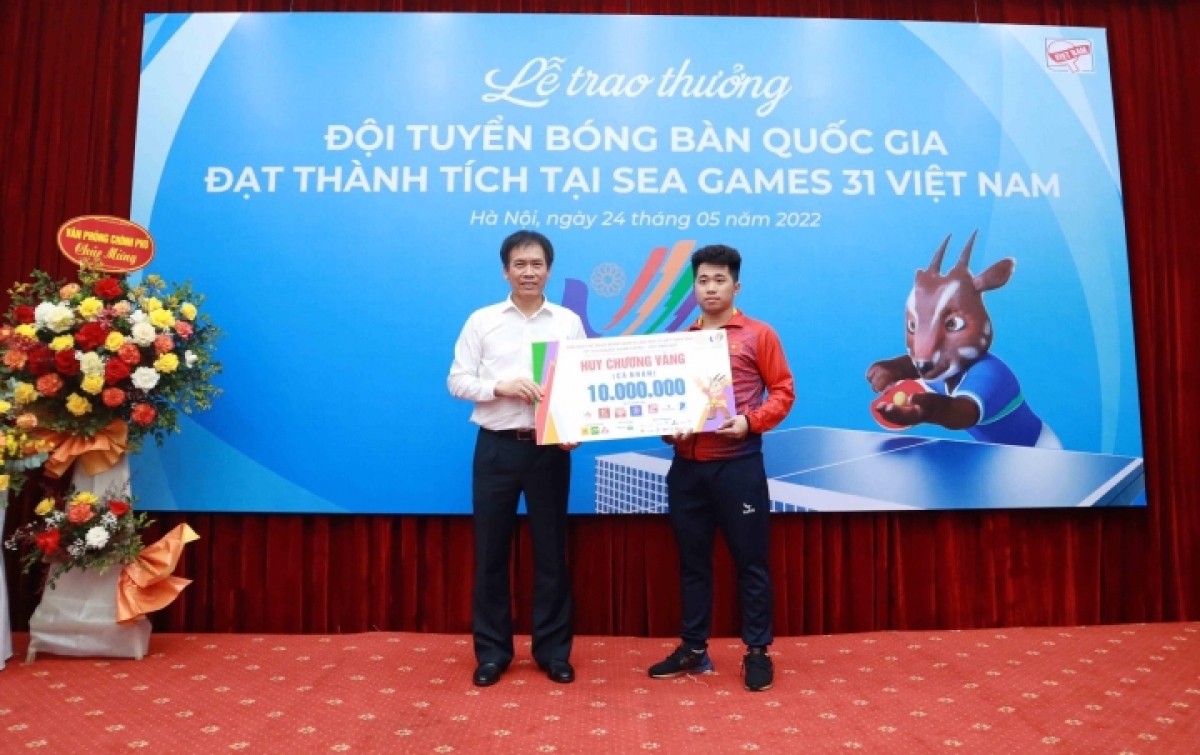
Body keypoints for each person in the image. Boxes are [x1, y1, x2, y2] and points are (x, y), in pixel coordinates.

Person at [648, 244, 795, 692]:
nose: (710, 287)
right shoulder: (680, 342)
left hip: (738, 467)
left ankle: (757, 651)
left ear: (736, 285)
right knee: (692, 564)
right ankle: (694, 648)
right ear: (693, 287)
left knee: (751, 562)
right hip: (687, 470)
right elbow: (669, 405)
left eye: (719, 279)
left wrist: (751, 421)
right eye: (703, 280)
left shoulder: (758, 334)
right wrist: (668, 430)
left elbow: (783, 392)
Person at [448, 230, 585, 688]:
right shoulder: (482, 321)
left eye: (537, 264)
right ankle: (492, 654)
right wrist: (499, 387)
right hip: (496, 447)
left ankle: (553, 652)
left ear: (549, 269)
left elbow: (579, 386)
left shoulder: (567, 322)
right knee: (491, 553)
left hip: (549, 449)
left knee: (551, 553)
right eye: (520, 264)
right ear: (505, 270)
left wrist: (574, 428)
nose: (529, 272)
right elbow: (457, 381)